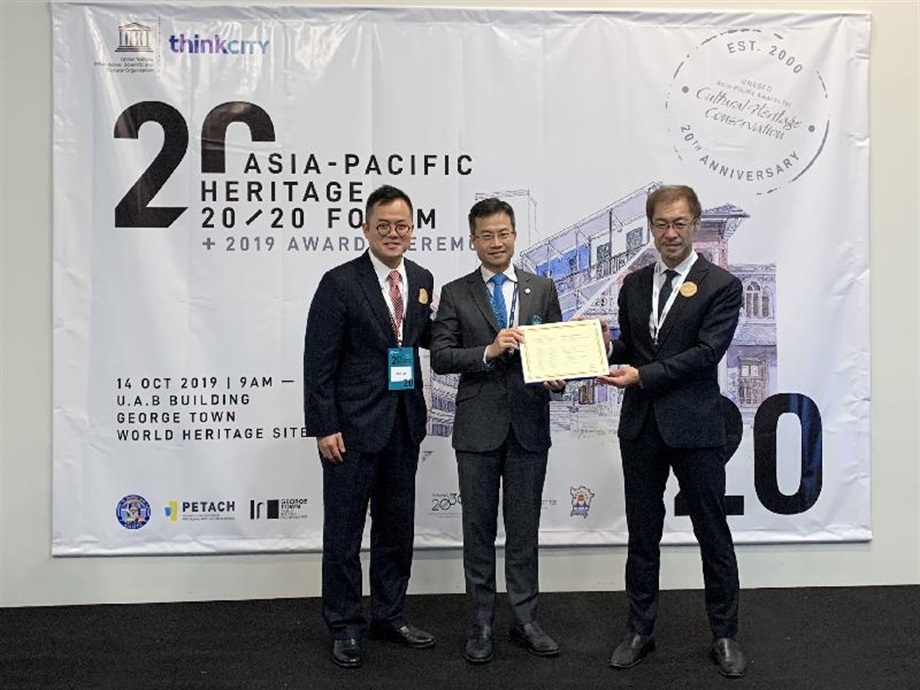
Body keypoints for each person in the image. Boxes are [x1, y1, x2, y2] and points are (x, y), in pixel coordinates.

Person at [599, 184, 748, 678]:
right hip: (642, 427)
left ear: (695, 224)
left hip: (697, 427)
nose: (670, 233)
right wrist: (601, 346)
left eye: (679, 223)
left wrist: (642, 375)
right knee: (643, 534)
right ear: (651, 226)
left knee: (712, 532)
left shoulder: (722, 285)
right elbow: (633, 351)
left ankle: (724, 634)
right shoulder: (635, 284)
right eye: (661, 223)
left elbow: (707, 353)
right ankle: (640, 629)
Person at [303, 184, 436, 669]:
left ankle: (390, 615)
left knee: (396, 530)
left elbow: (422, 340)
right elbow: (318, 363)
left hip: (403, 425)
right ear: (366, 229)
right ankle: (344, 625)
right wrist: (324, 426)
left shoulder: (421, 278)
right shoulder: (339, 282)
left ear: (413, 229)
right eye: (384, 225)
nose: (393, 234)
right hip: (351, 431)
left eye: (402, 225)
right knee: (343, 533)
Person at [431, 197, 564, 664]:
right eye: (486, 235)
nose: (496, 242)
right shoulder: (454, 292)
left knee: (524, 531)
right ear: (473, 241)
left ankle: (526, 620)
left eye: (503, 233)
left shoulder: (542, 288)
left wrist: (559, 375)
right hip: (477, 428)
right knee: (478, 531)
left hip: (529, 426)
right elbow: (442, 355)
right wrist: (487, 351)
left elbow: (558, 351)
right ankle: (482, 624)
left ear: (514, 234)